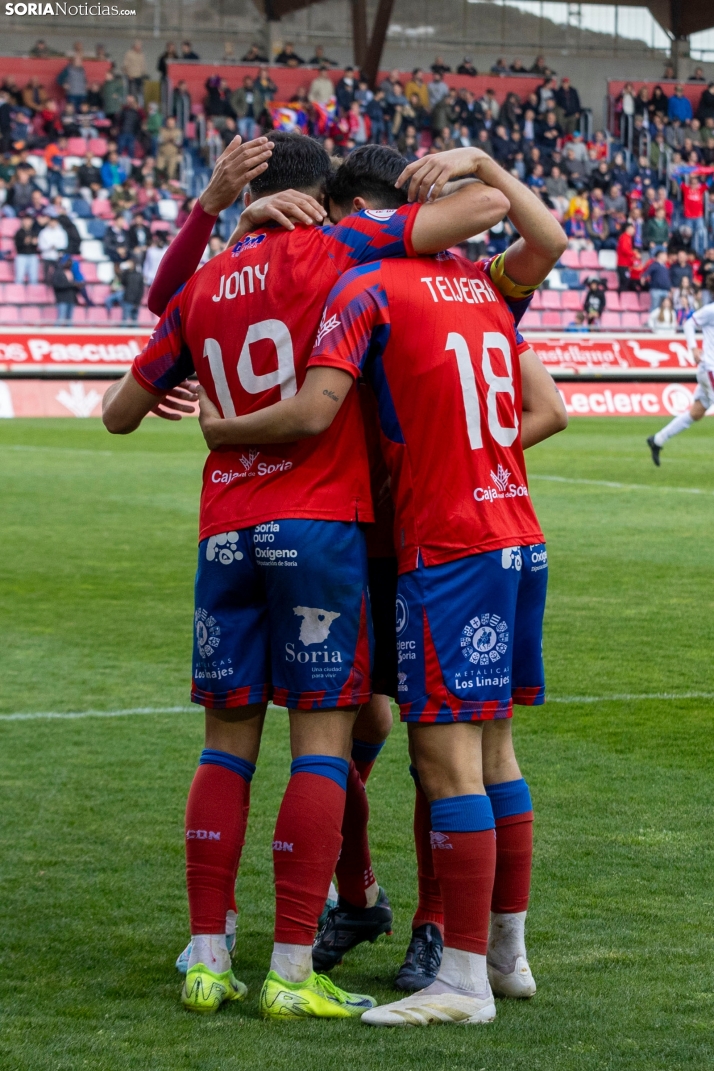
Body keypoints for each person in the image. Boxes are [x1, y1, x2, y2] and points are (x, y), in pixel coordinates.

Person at [101, 135, 511, 1018]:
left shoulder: (208, 283)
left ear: (263, 196)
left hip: (228, 533)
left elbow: (119, 411)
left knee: (226, 741)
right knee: (345, 743)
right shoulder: (344, 249)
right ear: (321, 199)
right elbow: (487, 211)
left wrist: (224, 222)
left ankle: (210, 954)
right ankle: (296, 964)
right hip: (335, 527)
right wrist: (461, 172)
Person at [193, 145, 567, 1026]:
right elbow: (545, 404)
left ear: (357, 212)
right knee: (418, 735)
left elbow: (317, 406)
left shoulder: (366, 286)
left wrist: (225, 432)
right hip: (465, 535)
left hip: (417, 542)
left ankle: (450, 943)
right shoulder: (479, 288)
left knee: (428, 750)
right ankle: (394, 909)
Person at [648, 284, 714, 464]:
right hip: (710, 368)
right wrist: (693, 348)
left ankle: (658, 439)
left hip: (708, 370)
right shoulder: (710, 310)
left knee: (697, 412)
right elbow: (688, 323)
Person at [49, 254, 80, 323]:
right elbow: (57, 285)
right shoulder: (57, 273)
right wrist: (72, 285)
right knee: (61, 317)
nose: (69, 263)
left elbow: (74, 285)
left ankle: (70, 333)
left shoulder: (71, 272)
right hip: (62, 298)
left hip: (71, 298)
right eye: (68, 262)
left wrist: (78, 286)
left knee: (69, 319)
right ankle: (56, 333)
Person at [118, 258, 144, 323]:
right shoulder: (126, 274)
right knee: (125, 319)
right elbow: (122, 282)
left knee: (135, 320)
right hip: (127, 299)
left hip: (136, 301)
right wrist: (124, 271)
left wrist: (138, 301)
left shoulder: (139, 275)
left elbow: (141, 289)